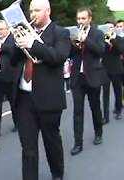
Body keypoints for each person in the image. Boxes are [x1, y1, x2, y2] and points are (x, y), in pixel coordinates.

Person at [11, 0, 70, 179]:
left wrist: (33, 44)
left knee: (51, 141)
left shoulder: (61, 33)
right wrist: (16, 44)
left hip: (48, 97)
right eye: (30, 11)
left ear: (48, 11)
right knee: (28, 147)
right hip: (24, 97)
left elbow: (57, 57)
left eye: (37, 10)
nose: (33, 14)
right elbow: (13, 61)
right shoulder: (24, 32)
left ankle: (57, 174)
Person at [69, 7, 105, 156]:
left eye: (83, 18)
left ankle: (98, 133)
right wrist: (72, 44)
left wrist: (86, 40)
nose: (80, 21)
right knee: (77, 111)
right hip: (78, 78)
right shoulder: (74, 33)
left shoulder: (98, 33)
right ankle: (78, 143)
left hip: (93, 76)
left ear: (89, 19)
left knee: (95, 107)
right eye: (78, 19)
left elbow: (100, 51)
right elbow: (69, 55)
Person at [0, 20, 19, 134]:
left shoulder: (12, 39)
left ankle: (18, 124)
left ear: (7, 29)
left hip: (10, 77)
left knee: (14, 103)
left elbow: (13, 50)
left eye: (1, 29)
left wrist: (1, 45)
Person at [101, 22, 124, 124]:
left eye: (111, 27)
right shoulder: (102, 39)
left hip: (116, 68)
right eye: (107, 27)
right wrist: (106, 42)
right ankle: (105, 116)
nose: (109, 29)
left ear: (114, 28)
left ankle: (118, 109)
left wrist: (113, 41)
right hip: (105, 69)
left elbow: (120, 51)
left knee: (117, 90)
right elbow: (100, 52)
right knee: (105, 93)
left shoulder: (119, 39)